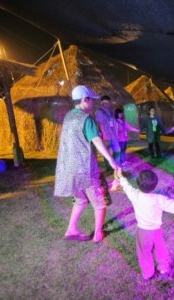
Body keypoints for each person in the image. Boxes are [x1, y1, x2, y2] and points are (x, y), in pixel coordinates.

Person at [54, 85, 120, 243]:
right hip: (85, 169)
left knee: (81, 199)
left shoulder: (69, 116)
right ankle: (98, 234)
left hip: (68, 169)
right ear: (85, 100)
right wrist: (111, 160)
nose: (93, 104)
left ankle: (71, 229)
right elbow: (96, 140)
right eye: (92, 100)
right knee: (100, 201)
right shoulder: (86, 119)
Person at [116, 169, 174, 280]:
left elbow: (126, 187)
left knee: (144, 253)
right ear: (155, 185)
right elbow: (173, 206)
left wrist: (120, 176)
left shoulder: (135, 194)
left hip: (142, 232)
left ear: (138, 183)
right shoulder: (158, 199)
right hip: (156, 231)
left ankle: (148, 274)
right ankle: (164, 269)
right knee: (161, 249)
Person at [95, 95, 121, 172]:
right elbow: (99, 123)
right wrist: (103, 135)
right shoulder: (99, 111)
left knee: (117, 150)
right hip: (106, 135)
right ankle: (109, 168)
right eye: (104, 102)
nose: (106, 104)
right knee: (107, 152)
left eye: (108, 102)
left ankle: (115, 164)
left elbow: (114, 123)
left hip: (113, 135)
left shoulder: (111, 111)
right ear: (101, 103)